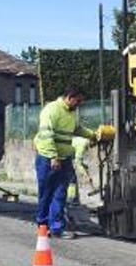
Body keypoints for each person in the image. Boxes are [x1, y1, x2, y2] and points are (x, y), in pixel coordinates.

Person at [34, 88, 112, 239]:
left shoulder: (71, 113)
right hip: (48, 158)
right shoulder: (51, 110)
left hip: (64, 158)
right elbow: (46, 134)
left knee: (60, 193)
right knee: (46, 193)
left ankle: (56, 228)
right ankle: (43, 226)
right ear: (69, 97)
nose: (79, 104)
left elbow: (77, 129)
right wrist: (53, 157)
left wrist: (94, 135)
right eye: (78, 101)